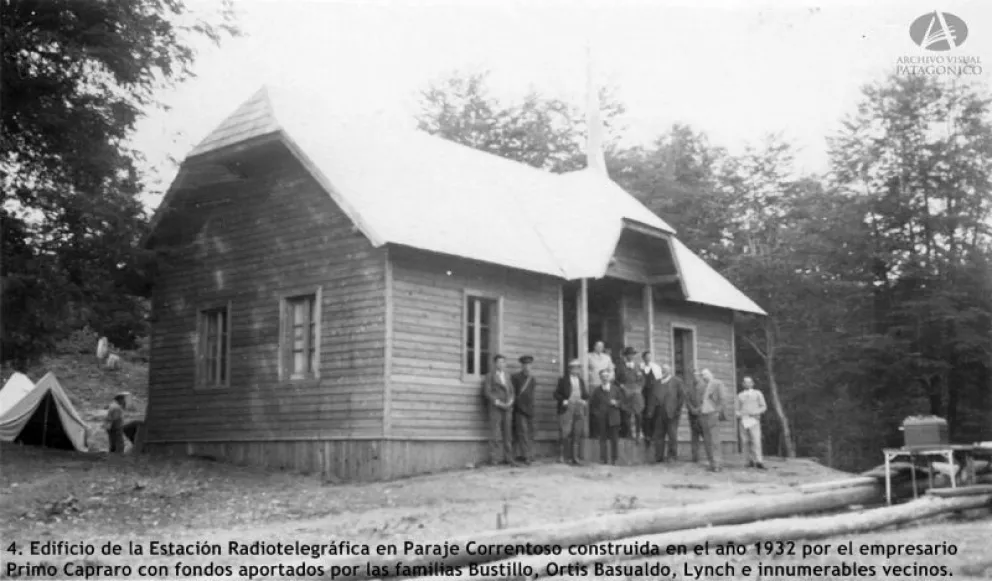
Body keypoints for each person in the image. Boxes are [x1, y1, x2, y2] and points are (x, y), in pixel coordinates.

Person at [645, 362, 685, 462]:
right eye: (662, 369)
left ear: (670, 371)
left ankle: (672, 456)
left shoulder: (677, 381)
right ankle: (658, 457)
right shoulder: (657, 382)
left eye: (666, 369)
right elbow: (652, 398)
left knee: (672, 435)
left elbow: (681, 397)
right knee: (658, 435)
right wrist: (650, 411)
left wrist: (677, 410)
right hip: (659, 413)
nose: (663, 371)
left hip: (671, 413)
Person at [482, 354, 516, 466]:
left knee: (508, 434)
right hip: (496, 408)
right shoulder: (490, 376)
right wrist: (497, 402)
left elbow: (511, 391)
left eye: (503, 362)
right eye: (499, 362)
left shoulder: (507, 376)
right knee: (495, 433)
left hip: (507, 407)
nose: (501, 364)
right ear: (495, 364)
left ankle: (508, 458)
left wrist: (510, 401)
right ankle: (494, 459)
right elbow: (487, 392)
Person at [554, 359, 589, 465]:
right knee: (565, 432)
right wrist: (563, 400)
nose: (577, 370)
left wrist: (584, 400)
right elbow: (556, 394)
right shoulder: (563, 380)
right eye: (574, 368)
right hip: (567, 407)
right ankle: (561, 456)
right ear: (570, 369)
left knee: (577, 431)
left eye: (578, 368)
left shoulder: (581, 381)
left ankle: (575, 457)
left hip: (578, 407)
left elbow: (585, 395)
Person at [590, 368, 624, 465]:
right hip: (602, 419)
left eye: (606, 376)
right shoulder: (597, 391)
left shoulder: (616, 389)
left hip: (614, 417)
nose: (605, 378)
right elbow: (592, 405)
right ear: (600, 378)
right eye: (603, 377)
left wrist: (616, 403)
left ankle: (614, 460)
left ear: (609, 377)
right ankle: (603, 459)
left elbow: (622, 402)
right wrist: (597, 414)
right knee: (603, 439)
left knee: (614, 439)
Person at [699, 368, 728, 472]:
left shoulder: (717, 383)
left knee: (715, 440)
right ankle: (711, 463)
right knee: (707, 440)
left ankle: (717, 464)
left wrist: (718, 412)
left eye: (705, 374)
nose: (704, 377)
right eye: (702, 375)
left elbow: (723, 398)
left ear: (711, 374)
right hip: (704, 414)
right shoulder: (702, 386)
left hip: (713, 414)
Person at [736, 376, 767, 469]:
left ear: (752, 384)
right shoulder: (740, 395)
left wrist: (756, 412)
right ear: (743, 384)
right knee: (745, 441)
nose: (747, 384)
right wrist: (738, 414)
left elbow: (763, 406)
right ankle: (747, 461)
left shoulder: (757, 393)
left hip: (754, 419)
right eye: (745, 382)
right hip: (744, 420)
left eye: (749, 382)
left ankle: (759, 461)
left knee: (756, 440)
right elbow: (737, 409)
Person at [615, 346, 645, 442]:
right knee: (626, 413)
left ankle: (638, 433)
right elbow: (616, 380)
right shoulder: (620, 366)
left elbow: (642, 379)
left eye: (632, 354)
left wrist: (639, 388)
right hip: (625, 391)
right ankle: (628, 434)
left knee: (638, 413)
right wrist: (622, 386)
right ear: (625, 356)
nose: (631, 356)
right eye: (629, 354)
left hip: (636, 391)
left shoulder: (637, 366)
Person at [511, 355, 537, 465]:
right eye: (525, 365)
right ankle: (526, 456)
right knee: (522, 433)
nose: (527, 367)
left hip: (530, 409)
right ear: (522, 366)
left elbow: (531, 395)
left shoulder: (532, 379)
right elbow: (513, 394)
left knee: (530, 433)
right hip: (519, 409)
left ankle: (529, 455)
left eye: (529, 365)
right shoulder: (515, 377)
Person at [685, 369, 706, 463]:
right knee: (694, 436)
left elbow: (706, 400)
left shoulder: (705, 386)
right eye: (694, 376)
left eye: (697, 375)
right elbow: (687, 399)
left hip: (702, 414)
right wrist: (691, 409)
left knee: (705, 435)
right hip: (692, 414)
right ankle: (695, 457)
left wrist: (699, 409)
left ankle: (709, 455)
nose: (695, 377)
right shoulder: (689, 387)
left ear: (700, 376)